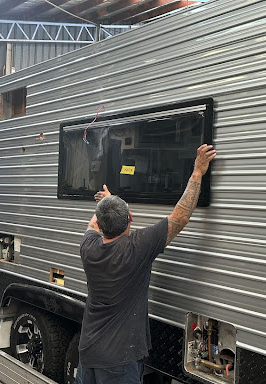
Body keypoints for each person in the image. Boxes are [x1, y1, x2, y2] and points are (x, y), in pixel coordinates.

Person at [76, 144, 216, 384]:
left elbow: (94, 223)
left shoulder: (88, 247)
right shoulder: (137, 247)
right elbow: (180, 216)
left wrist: (109, 204)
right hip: (120, 360)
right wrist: (198, 172)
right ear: (130, 219)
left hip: (88, 352)